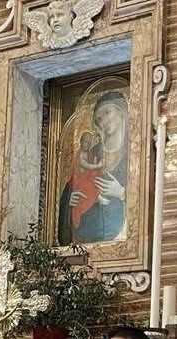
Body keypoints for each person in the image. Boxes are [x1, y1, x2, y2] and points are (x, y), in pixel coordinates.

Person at [58, 90, 129, 246]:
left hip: (121, 236)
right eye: (99, 119)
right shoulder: (91, 154)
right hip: (85, 232)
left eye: (107, 112)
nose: (104, 121)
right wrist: (69, 199)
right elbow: (72, 184)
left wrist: (122, 192)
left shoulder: (134, 150)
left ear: (122, 111)